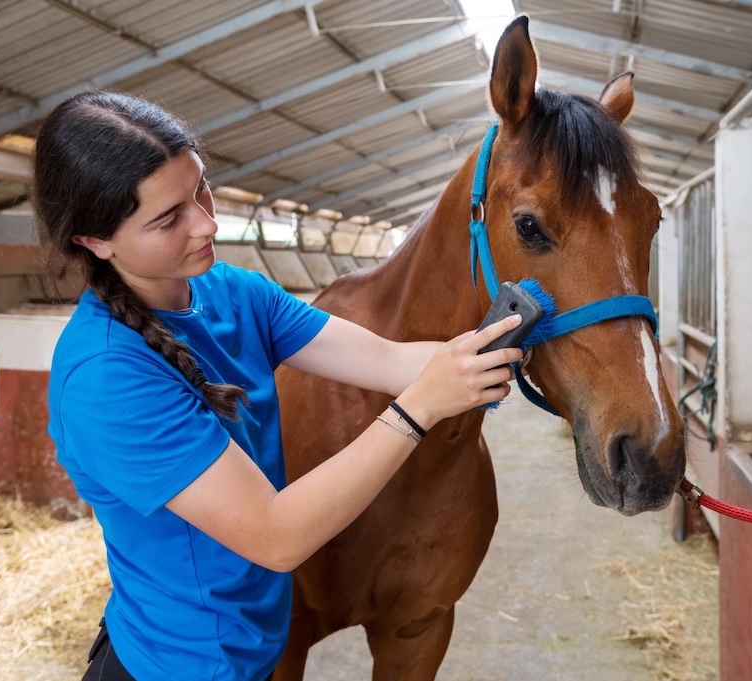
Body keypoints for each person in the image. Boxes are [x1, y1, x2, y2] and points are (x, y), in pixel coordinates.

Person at [33, 90, 524, 681]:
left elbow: (391, 360)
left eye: (201, 190)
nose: (207, 223)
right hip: (179, 667)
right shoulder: (107, 376)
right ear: (95, 240)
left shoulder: (234, 291)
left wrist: (502, 347)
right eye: (170, 218)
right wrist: (417, 410)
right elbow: (276, 537)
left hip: (253, 654)